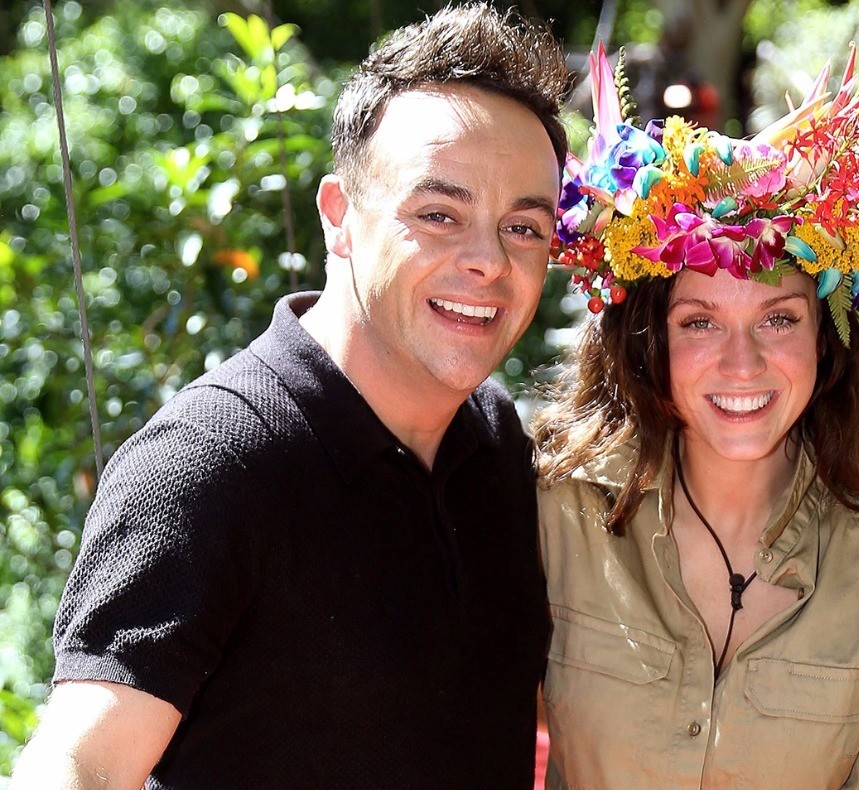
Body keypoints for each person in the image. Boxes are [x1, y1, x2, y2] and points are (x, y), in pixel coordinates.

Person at [11, 5, 568, 788]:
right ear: (339, 217)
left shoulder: (497, 443)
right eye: (439, 215)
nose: (489, 261)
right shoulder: (209, 465)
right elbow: (79, 765)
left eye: (524, 229)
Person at [532, 47, 859, 787]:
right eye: (700, 322)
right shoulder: (553, 510)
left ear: (825, 338)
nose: (743, 364)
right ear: (650, 343)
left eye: (778, 319)